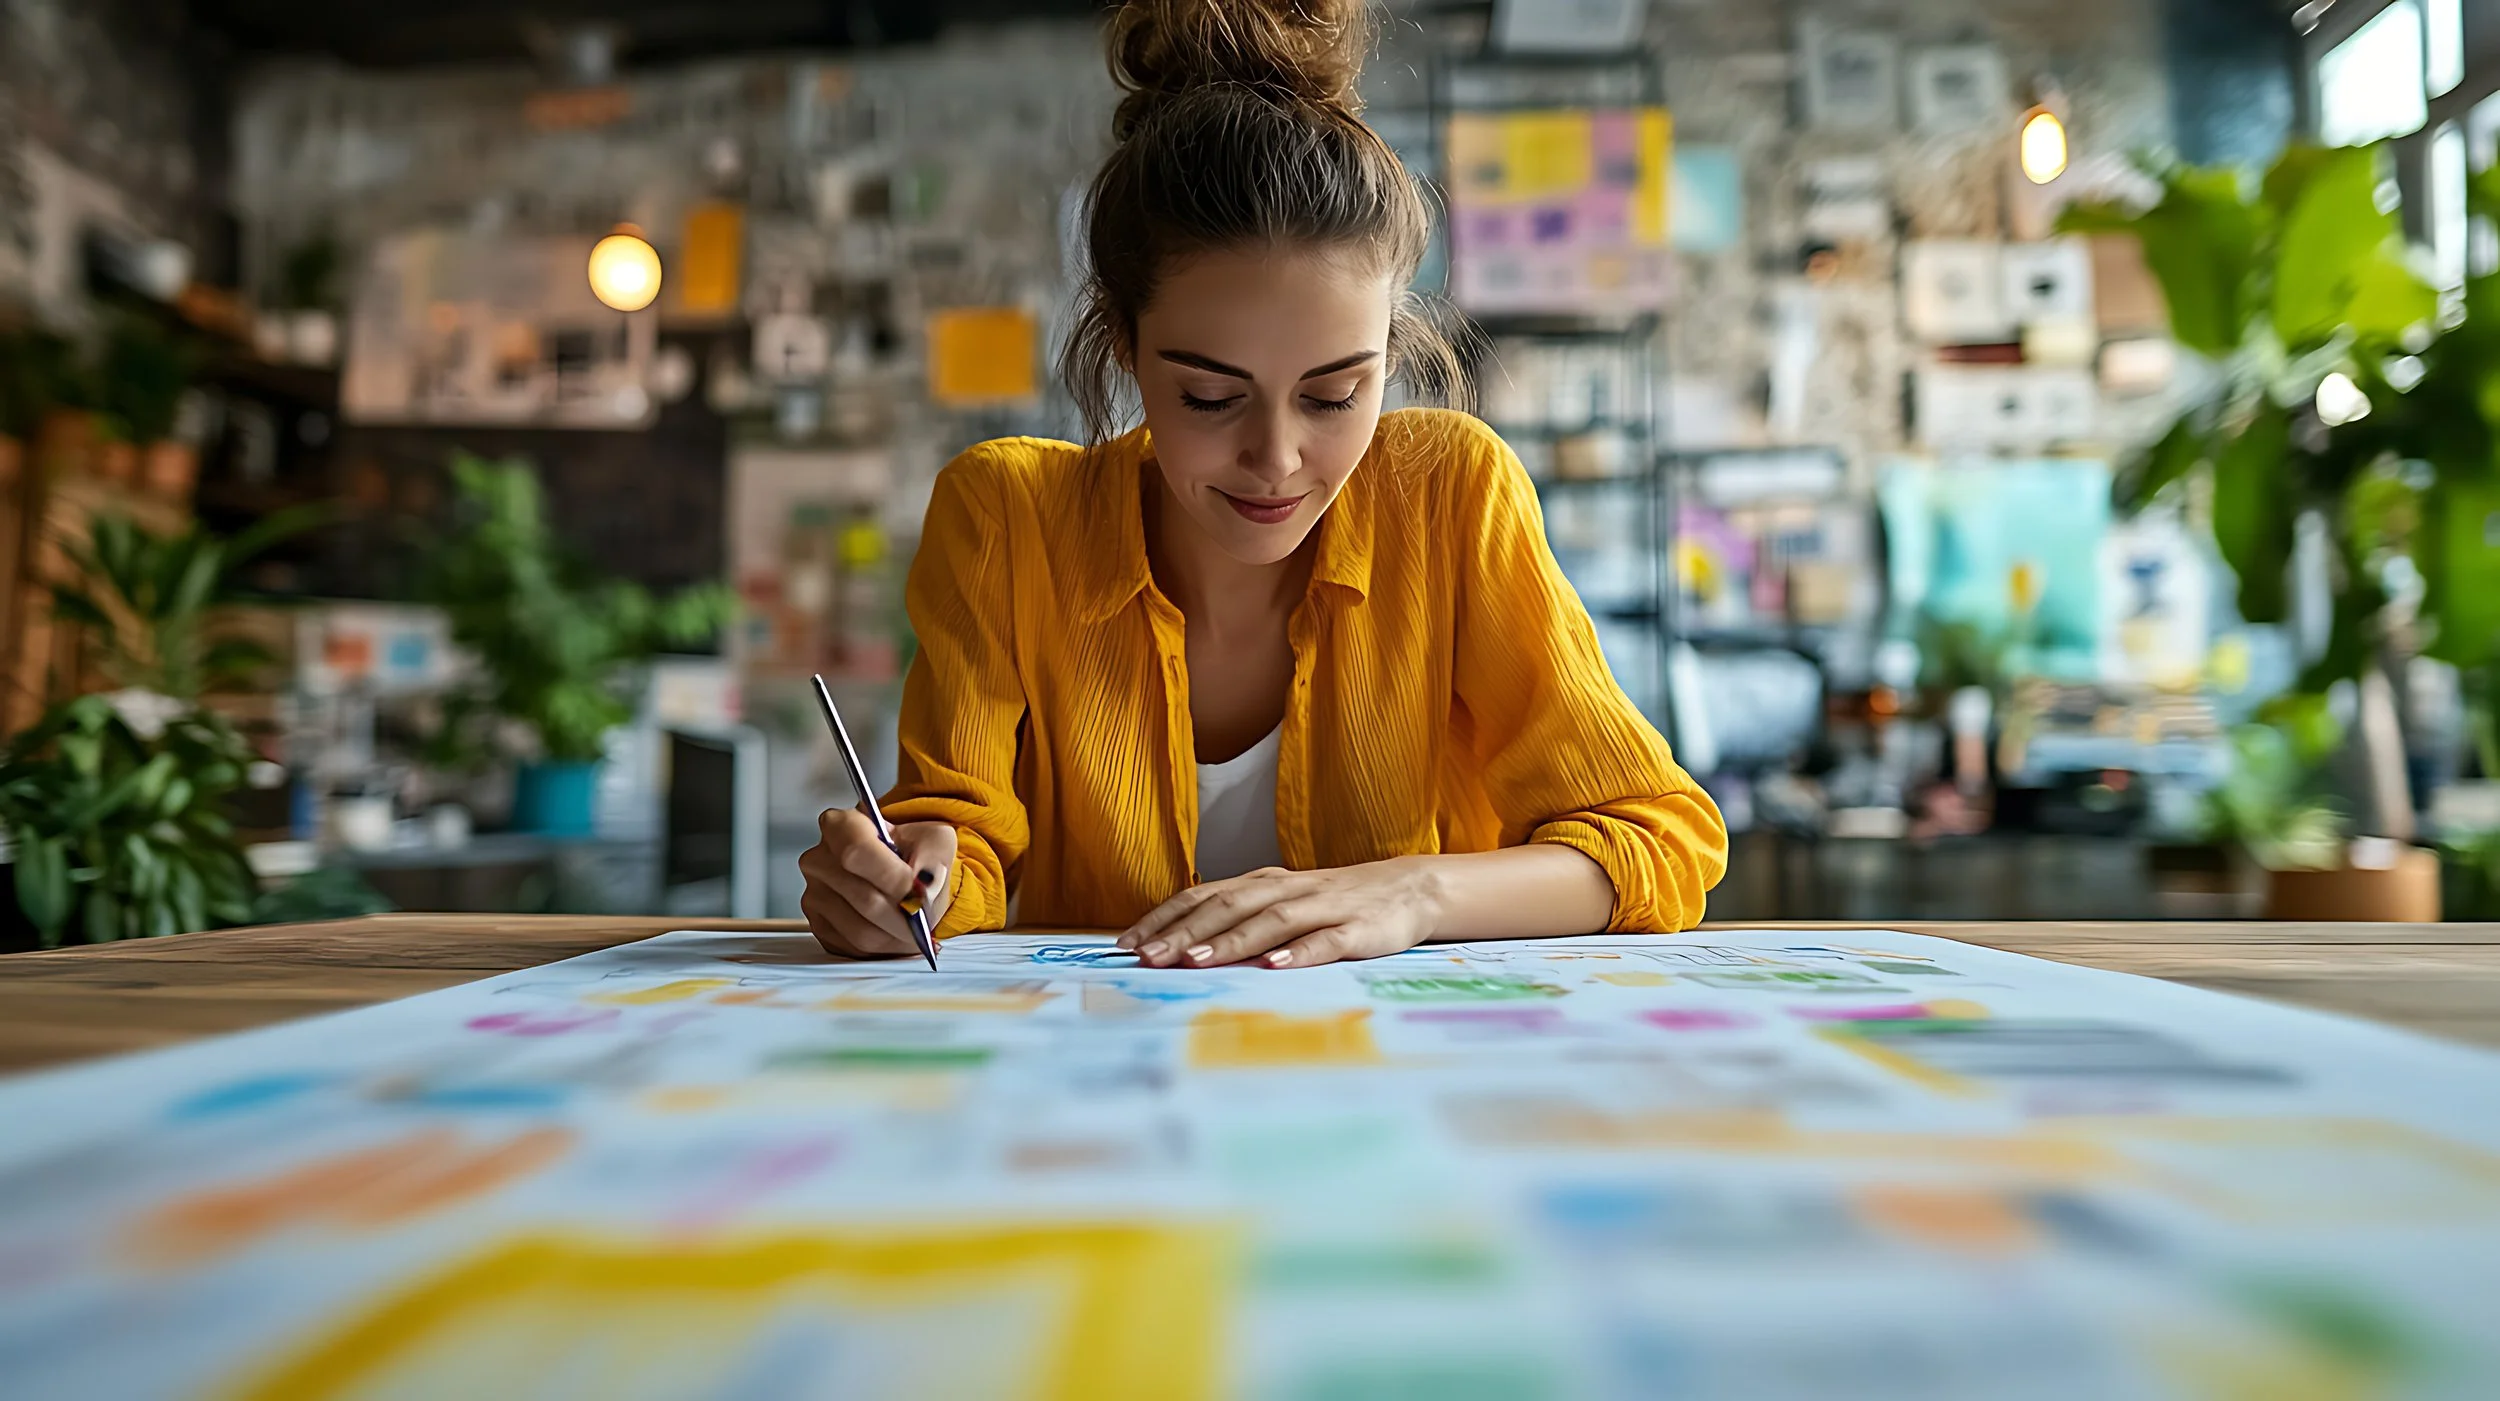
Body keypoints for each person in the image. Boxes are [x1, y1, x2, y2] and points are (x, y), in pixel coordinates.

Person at [800, 0, 1726, 970]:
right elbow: (964, 839)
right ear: (1124, 344)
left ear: (1390, 350)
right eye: (1209, 397)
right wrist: (914, 881)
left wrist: (1411, 890)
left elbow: (1657, 842)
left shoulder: (1451, 494)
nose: (1278, 460)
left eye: (1334, 396)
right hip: (1106, 1083)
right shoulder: (1006, 517)